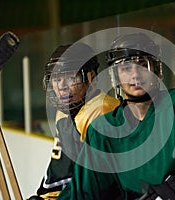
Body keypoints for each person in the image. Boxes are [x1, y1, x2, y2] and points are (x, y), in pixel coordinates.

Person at [57, 32, 175, 199]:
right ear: (115, 76)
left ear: (156, 68)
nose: (135, 74)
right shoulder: (103, 131)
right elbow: (83, 191)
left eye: (142, 65)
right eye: (125, 68)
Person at [28, 42, 120, 199]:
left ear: (91, 78)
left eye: (71, 77)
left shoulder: (102, 111)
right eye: (56, 79)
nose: (62, 87)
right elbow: (62, 172)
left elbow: (97, 184)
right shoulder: (64, 112)